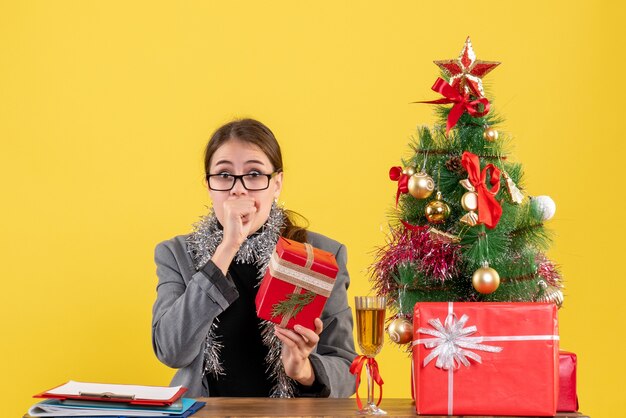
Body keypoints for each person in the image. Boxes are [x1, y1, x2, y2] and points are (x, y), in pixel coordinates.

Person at [151, 118, 357, 398]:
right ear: (209, 186)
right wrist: (228, 246)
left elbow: (349, 372)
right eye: (224, 175)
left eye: (254, 174)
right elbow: (171, 350)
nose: (238, 188)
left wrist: (305, 371)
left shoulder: (320, 256)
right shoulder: (175, 254)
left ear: (277, 184)